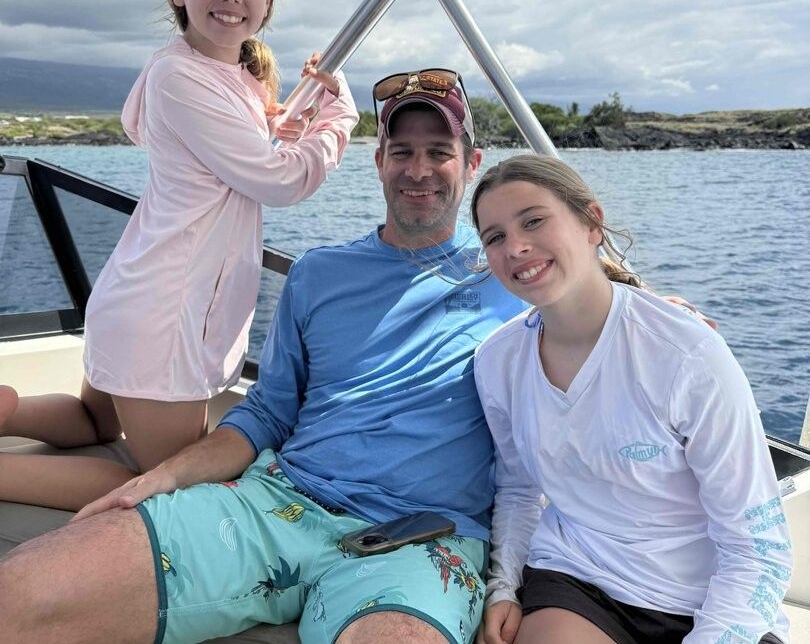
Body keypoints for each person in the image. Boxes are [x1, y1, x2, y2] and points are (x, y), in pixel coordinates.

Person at [0, 68, 531, 644]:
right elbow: (268, 412)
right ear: (378, 162)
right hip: (281, 501)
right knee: (22, 591)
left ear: (472, 164)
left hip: (424, 537)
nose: (418, 169)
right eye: (401, 150)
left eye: (439, 151)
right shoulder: (318, 274)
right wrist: (165, 477)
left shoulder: (518, 284)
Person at [0, 0, 358, 512]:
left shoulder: (218, 77)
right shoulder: (181, 78)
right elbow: (277, 178)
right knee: (165, 484)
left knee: (95, 423)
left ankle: (10, 411)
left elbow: (242, 157)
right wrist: (340, 118)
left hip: (138, 294)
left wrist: (286, 126)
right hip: (163, 314)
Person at [471, 154, 792, 644]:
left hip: (709, 595)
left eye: (533, 220)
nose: (515, 246)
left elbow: (759, 547)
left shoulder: (685, 355)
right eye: (494, 237)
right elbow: (517, 490)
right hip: (578, 582)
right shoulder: (498, 361)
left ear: (591, 223)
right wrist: (504, 587)